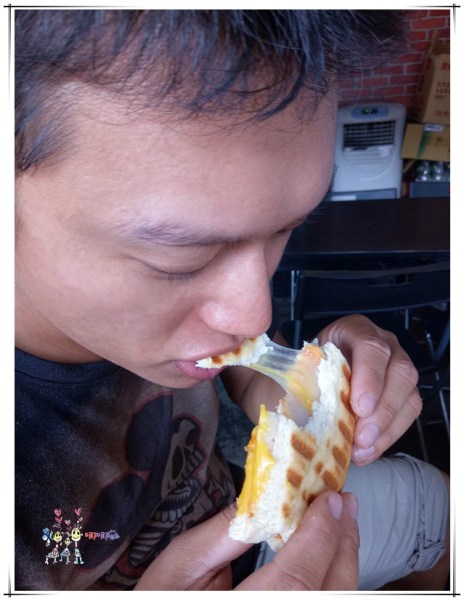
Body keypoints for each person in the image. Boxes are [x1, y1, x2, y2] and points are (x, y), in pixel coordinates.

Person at [15, 9, 449, 591]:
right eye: (182, 260)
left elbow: (246, 375)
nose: (255, 315)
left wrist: (311, 388)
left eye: (285, 229)